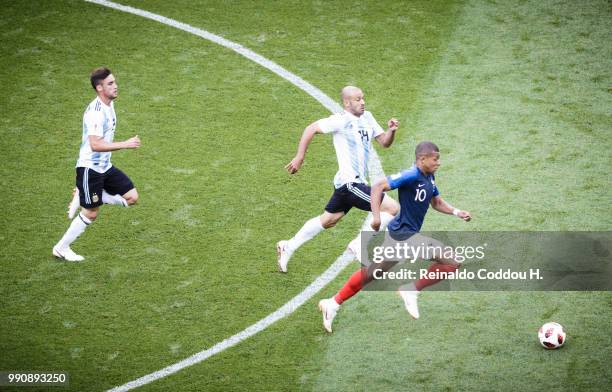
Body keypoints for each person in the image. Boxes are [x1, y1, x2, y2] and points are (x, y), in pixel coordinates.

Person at [318, 141, 472, 332]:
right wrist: (375, 217)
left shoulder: (429, 176)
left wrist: (457, 212)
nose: (438, 163)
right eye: (435, 159)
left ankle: (332, 303)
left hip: (401, 236)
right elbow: (377, 187)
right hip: (403, 236)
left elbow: (436, 202)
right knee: (452, 261)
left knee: (373, 273)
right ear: (422, 159)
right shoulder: (410, 175)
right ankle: (411, 290)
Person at [277, 86, 400, 272]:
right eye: (358, 99)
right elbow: (311, 129)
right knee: (393, 208)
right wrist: (299, 156)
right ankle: (359, 245)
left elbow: (384, 142)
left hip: (351, 183)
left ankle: (288, 246)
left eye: (363, 98)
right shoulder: (340, 121)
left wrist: (391, 131)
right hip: (350, 184)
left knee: (328, 220)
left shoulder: (368, 117)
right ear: (347, 103)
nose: (363, 102)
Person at [52, 67, 141, 261]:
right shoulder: (95, 112)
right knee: (91, 213)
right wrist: (125, 144)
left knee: (132, 197)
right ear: (99, 88)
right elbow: (95, 144)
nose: (116, 86)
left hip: (105, 167)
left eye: (114, 82)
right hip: (89, 169)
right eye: (110, 84)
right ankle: (61, 248)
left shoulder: (109, 104)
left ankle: (91, 194)